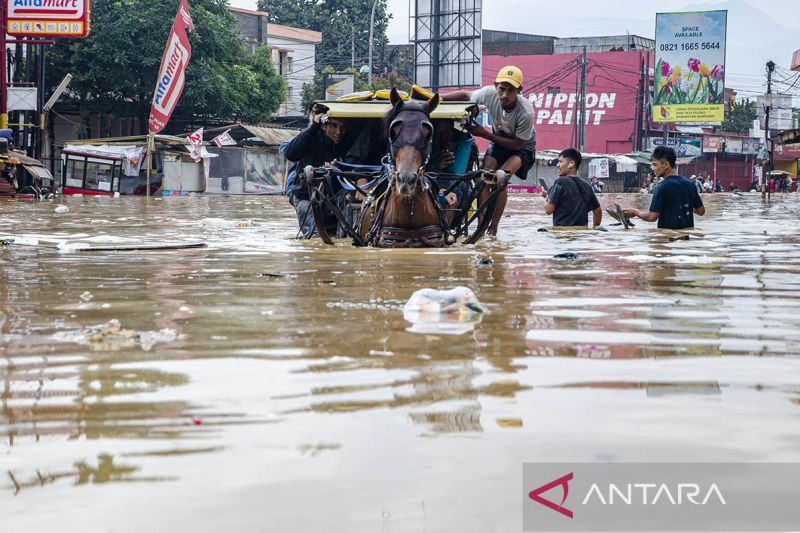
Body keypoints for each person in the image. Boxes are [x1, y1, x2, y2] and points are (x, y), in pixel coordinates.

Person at [442, 65, 535, 236]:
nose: (505, 95)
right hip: (498, 142)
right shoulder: (488, 94)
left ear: (519, 90)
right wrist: (436, 99)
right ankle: (481, 225)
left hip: (521, 147)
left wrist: (484, 134)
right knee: (484, 178)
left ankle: (493, 228)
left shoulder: (526, 113)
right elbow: (464, 95)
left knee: (500, 178)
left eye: (511, 91)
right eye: (502, 89)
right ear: (495, 86)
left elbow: (517, 145)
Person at [284, 113, 353, 235]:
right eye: (334, 126)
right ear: (323, 126)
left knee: (347, 233)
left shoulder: (349, 143)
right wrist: (313, 126)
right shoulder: (310, 137)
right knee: (312, 235)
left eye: (343, 127)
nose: (339, 132)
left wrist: (338, 169)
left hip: (336, 197)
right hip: (306, 195)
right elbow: (290, 154)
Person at [624, 146, 704, 230]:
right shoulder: (690, 184)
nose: (653, 168)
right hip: (686, 238)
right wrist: (684, 204)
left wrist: (636, 212)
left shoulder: (662, 186)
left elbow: (652, 217)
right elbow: (701, 211)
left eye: (655, 164)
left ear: (666, 164)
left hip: (667, 238)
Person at [542, 148, 602, 227]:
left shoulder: (560, 182)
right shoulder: (586, 185)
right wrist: (594, 228)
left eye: (560, 162)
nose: (557, 165)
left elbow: (549, 210)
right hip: (582, 236)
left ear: (571, 164)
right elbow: (598, 212)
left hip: (562, 235)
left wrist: (545, 198)